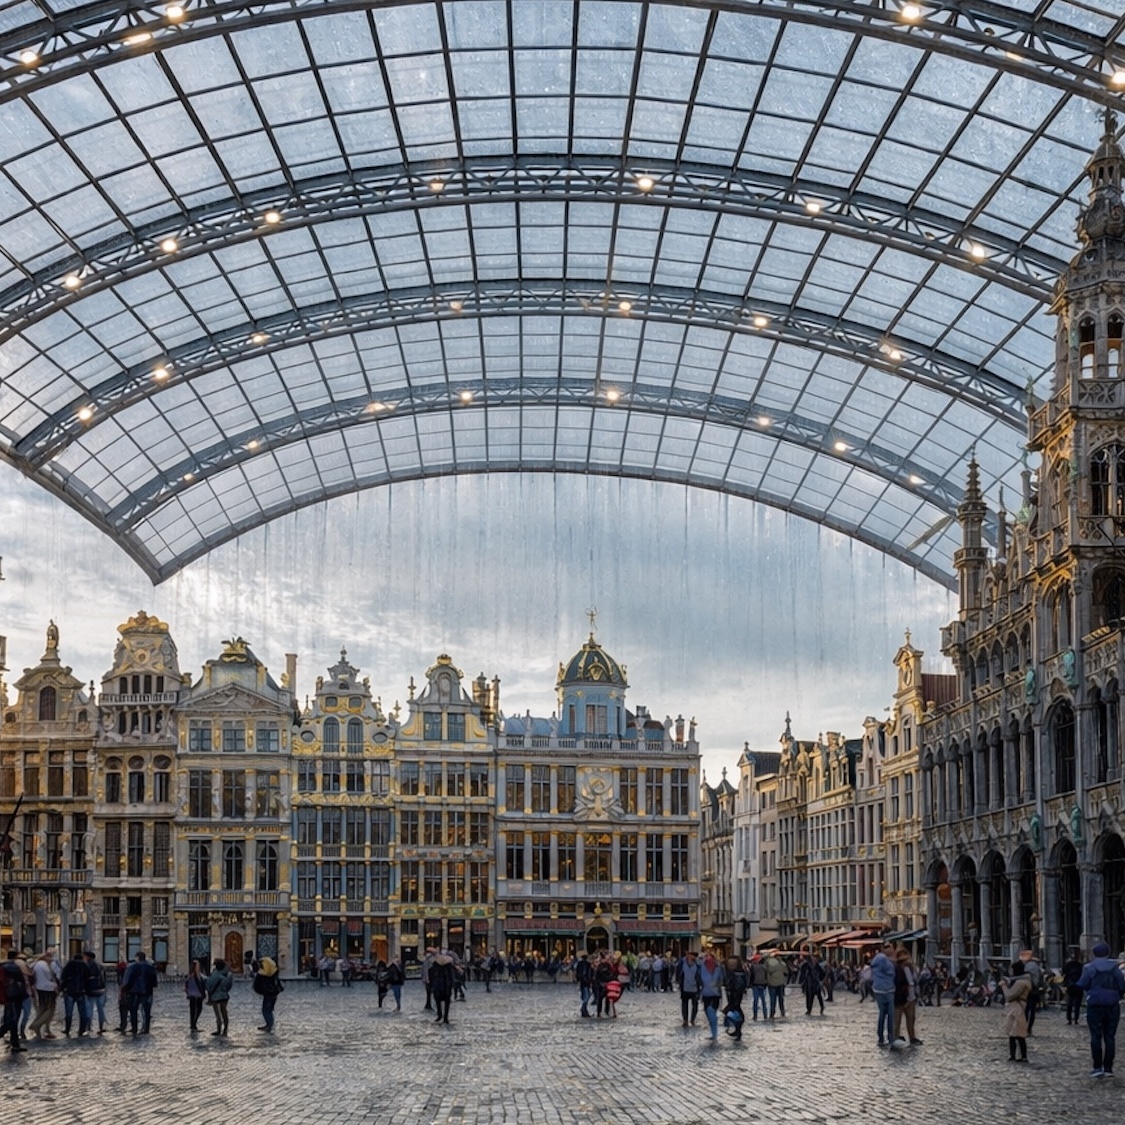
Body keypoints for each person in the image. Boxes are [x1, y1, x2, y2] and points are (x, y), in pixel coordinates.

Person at [1078, 941, 1125, 1077]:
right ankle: (1108, 1068)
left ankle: (1097, 1067)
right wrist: (1117, 994)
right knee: (1110, 1037)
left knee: (1095, 1036)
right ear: (1108, 953)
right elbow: (1122, 985)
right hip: (1112, 1005)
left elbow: (1083, 983)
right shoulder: (1115, 968)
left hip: (1095, 1004)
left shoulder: (1089, 967)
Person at [121, 951, 158, 1035]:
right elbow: (154, 982)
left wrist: (124, 990)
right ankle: (146, 1028)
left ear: (137, 957)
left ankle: (134, 1028)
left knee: (133, 1010)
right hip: (148, 992)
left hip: (134, 992)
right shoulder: (150, 967)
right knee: (146, 1011)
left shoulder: (131, 967)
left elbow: (126, 981)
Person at [1001, 960, 1031, 1063]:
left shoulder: (1021, 982)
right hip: (1015, 1008)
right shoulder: (1020, 980)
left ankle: (1023, 1056)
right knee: (1012, 1033)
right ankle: (1013, 1055)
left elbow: (1009, 995)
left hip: (1017, 1008)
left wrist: (1004, 986)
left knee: (1018, 1033)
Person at [27, 949, 60, 1040]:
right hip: (48, 988)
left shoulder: (36, 964)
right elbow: (50, 976)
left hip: (40, 988)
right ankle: (35, 1025)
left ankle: (38, 1029)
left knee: (42, 1008)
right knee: (50, 1009)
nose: (52, 959)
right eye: (50, 957)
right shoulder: (43, 965)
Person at [1, 949, 29, 1053]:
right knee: (12, 1021)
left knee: (10, 1020)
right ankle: (14, 1043)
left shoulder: (4, 965)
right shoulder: (14, 967)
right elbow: (21, 982)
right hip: (14, 996)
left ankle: (15, 1043)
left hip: (8, 995)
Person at [893, 948, 921, 1046]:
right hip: (902, 997)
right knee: (899, 1020)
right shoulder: (901, 968)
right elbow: (910, 983)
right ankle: (897, 1037)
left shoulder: (909, 968)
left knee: (910, 1019)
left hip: (906, 997)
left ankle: (910, 1037)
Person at [870, 942, 896, 1047]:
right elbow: (890, 972)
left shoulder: (876, 959)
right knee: (890, 1014)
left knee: (882, 1014)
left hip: (877, 989)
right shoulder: (884, 959)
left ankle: (880, 1036)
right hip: (887, 989)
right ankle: (890, 1037)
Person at [61, 950, 90, 1036]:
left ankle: (67, 1029)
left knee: (68, 1013)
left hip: (70, 991)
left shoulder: (69, 964)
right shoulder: (84, 965)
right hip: (81, 991)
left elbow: (64, 977)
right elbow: (88, 976)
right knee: (82, 1012)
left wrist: (62, 988)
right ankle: (81, 1029)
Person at [252, 956, 283, 1032]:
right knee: (268, 1009)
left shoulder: (266, 976)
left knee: (266, 1010)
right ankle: (269, 1024)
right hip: (273, 993)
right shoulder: (273, 973)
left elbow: (260, 984)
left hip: (269, 993)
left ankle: (269, 1026)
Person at [698, 951, 725, 1041]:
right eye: (707, 957)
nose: (708, 958)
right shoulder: (702, 968)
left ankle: (715, 1033)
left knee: (711, 1011)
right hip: (706, 993)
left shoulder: (718, 968)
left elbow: (721, 980)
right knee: (708, 1013)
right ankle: (713, 1032)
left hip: (715, 994)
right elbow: (699, 979)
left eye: (709, 957)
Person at [205, 957, 234, 1037]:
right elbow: (229, 986)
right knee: (224, 1012)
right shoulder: (228, 974)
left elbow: (208, 986)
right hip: (224, 996)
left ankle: (218, 1030)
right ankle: (225, 1029)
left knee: (217, 1014)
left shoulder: (214, 975)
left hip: (215, 997)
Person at [722, 956, 748, 1040]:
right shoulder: (740, 972)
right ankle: (736, 1029)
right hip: (733, 993)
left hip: (734, 993)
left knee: (735, 1010)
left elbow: (731, 983)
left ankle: (737, 1029)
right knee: (734, 1010)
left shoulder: (734, 973)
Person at [1019, 949, 1043, 1034]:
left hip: (1027, 990)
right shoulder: (1036, 966)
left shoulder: (1026, 966)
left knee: (1025, 1009)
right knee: (1032, 1010)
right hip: (1034, 990)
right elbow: (1040, 979)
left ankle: (1024, 1027)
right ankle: (1029, 1028)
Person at [84, 952, 107, 1035]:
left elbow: (85, 978)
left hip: (90, 991)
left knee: (88, 1009)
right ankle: (101, 1026)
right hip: (101, 990)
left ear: (88, 957)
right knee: (101, 1010)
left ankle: (88, 1027)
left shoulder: (87, 966)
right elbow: (104, 978)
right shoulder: (100, 966)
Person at [430, 951, 455, 1025]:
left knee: (443, 1002)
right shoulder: (436, 964)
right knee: (441, 1002)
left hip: (444, 985)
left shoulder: (447, 966)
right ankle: (442, 1016)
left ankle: (444, 1016)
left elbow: (451, 976)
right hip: (442, 985)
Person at [798, 951, 825, 1016]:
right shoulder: (806, 965)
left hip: (816, 983)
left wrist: (820, 980)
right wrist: (801, 981)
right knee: (809, 997)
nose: (814, 959)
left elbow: (822, 973)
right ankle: (809, 1009)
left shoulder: (817, 966)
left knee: (819, 996)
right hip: (809, 983)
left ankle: (821, 1007)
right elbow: (802, 973)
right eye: (813, 958)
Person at [677, 950, 701, 1027]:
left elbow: (700, 976)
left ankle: (692, 1019)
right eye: (689, 955)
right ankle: (685, 1020)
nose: (690, 957)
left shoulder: (698, 965)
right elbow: (679, 973)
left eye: (692, 956)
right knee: (684, 1004)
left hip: (695, 988)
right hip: (684, 987)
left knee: (695, 1004)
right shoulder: (682, 964)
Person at [1062, 948, 1085, 1026]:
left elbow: (1064, 973)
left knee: (1069, 1003)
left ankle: (1069, 1019)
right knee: (1077, 1004)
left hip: (1070, 985)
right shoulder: (1081, 966)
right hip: (1079, 985)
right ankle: (1076, 1019)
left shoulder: (1068, 965)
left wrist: (1065, 983)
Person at [185, 960, 207, 1031]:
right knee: (196, 1010)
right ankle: (193, 1024)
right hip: (196, 995)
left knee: (193, 1010)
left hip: (193, 995)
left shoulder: (192, 976)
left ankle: (193, 1025)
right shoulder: (194, 976)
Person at [764, 950, 787, 1019]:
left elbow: (765, 970)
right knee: (781, 999)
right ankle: (782, 1012)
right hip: (781, 983)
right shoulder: (782, 963)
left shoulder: (767, 962)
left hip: (772, 983)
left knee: (773, 999)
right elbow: (786, 972)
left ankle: (772, 1013)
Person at [749, 954, 768, 1021]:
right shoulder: (764, 966)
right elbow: (766, 975)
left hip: (755, 985)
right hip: (762, 985)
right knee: (763, 1001)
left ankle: (755, 1016)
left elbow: (751, 976)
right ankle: (765, 1015)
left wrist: (750, 984)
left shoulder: (753, 967)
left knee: (755, 1001)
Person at [575, 952, 593, 1018]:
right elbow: (589, 973)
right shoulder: (588, 964)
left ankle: (584, 1009)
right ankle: (583, 1008)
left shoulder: (579, 964)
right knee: (586, 996)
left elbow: (577, 973)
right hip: (586, 982)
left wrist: (578, 980)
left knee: (585, 995)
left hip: (582, 982)